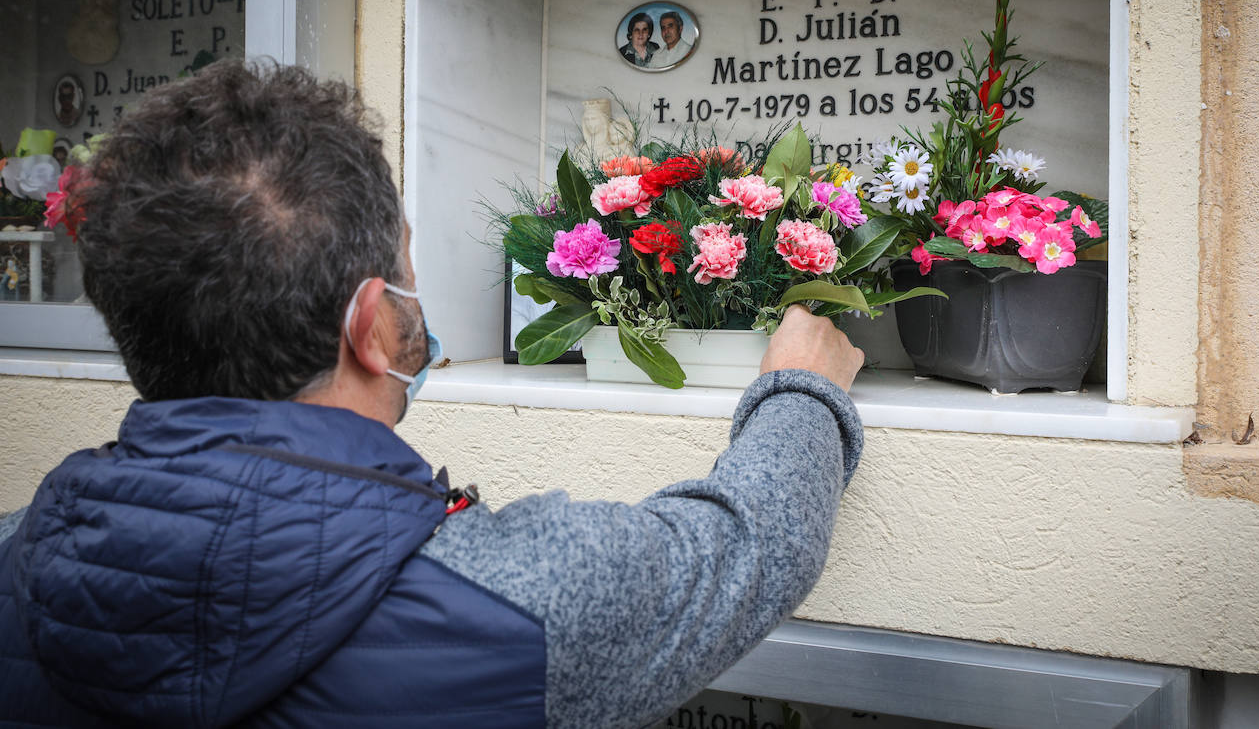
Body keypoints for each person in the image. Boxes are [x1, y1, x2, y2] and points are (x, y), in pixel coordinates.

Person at [0, 61, 866, 727]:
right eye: (405, 264)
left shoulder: (17, 555)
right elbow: (748, 547)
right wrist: (802, 392)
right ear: (373, 325)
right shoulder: (522, 599)